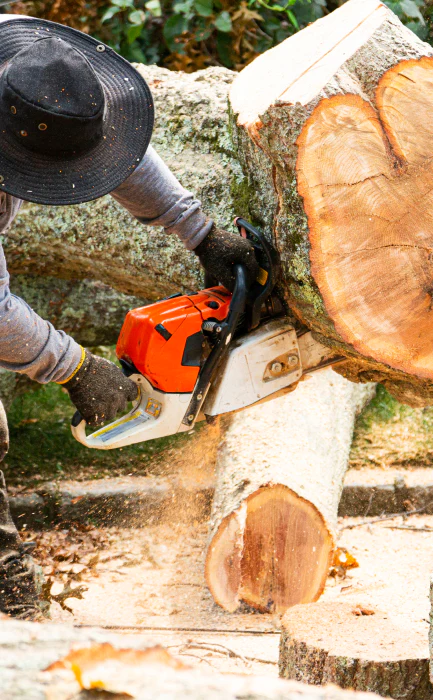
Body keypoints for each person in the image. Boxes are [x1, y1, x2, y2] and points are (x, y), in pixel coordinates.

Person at [0, 15, 260, 618]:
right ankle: (11, 606)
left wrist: (201, 235)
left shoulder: (27, 65)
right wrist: (73, 367)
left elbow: (113, 153)